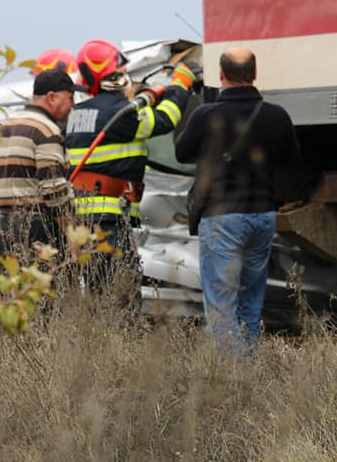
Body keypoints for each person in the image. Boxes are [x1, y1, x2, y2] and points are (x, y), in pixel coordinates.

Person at [174, 47, 300, 353]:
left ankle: (230, 379)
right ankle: (246, 363)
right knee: (250, 299)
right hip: (262, 218)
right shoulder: (276, 115)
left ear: (221, 75)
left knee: (221, 304)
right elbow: (292, 159)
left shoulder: (206, 115)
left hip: (222, 219)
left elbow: (181, 152)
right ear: (254, 75)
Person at [66, 38, 195, 294]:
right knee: (121, 291)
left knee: (97, 289)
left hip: (84, 217)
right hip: (110, 218)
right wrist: (180, 84)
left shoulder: (78, 112)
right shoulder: (121, 115)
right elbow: (165, 120)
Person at [0, 67, 77, 263]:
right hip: (38, 227)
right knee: (45, 290)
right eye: (70, 98)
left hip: (5, 224)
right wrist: (70, 231)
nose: (73, 104)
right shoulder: (46, 130)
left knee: (14, 291)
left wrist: (1, 225)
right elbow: (53, 187)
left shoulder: (2, 128)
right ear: (52, 97)